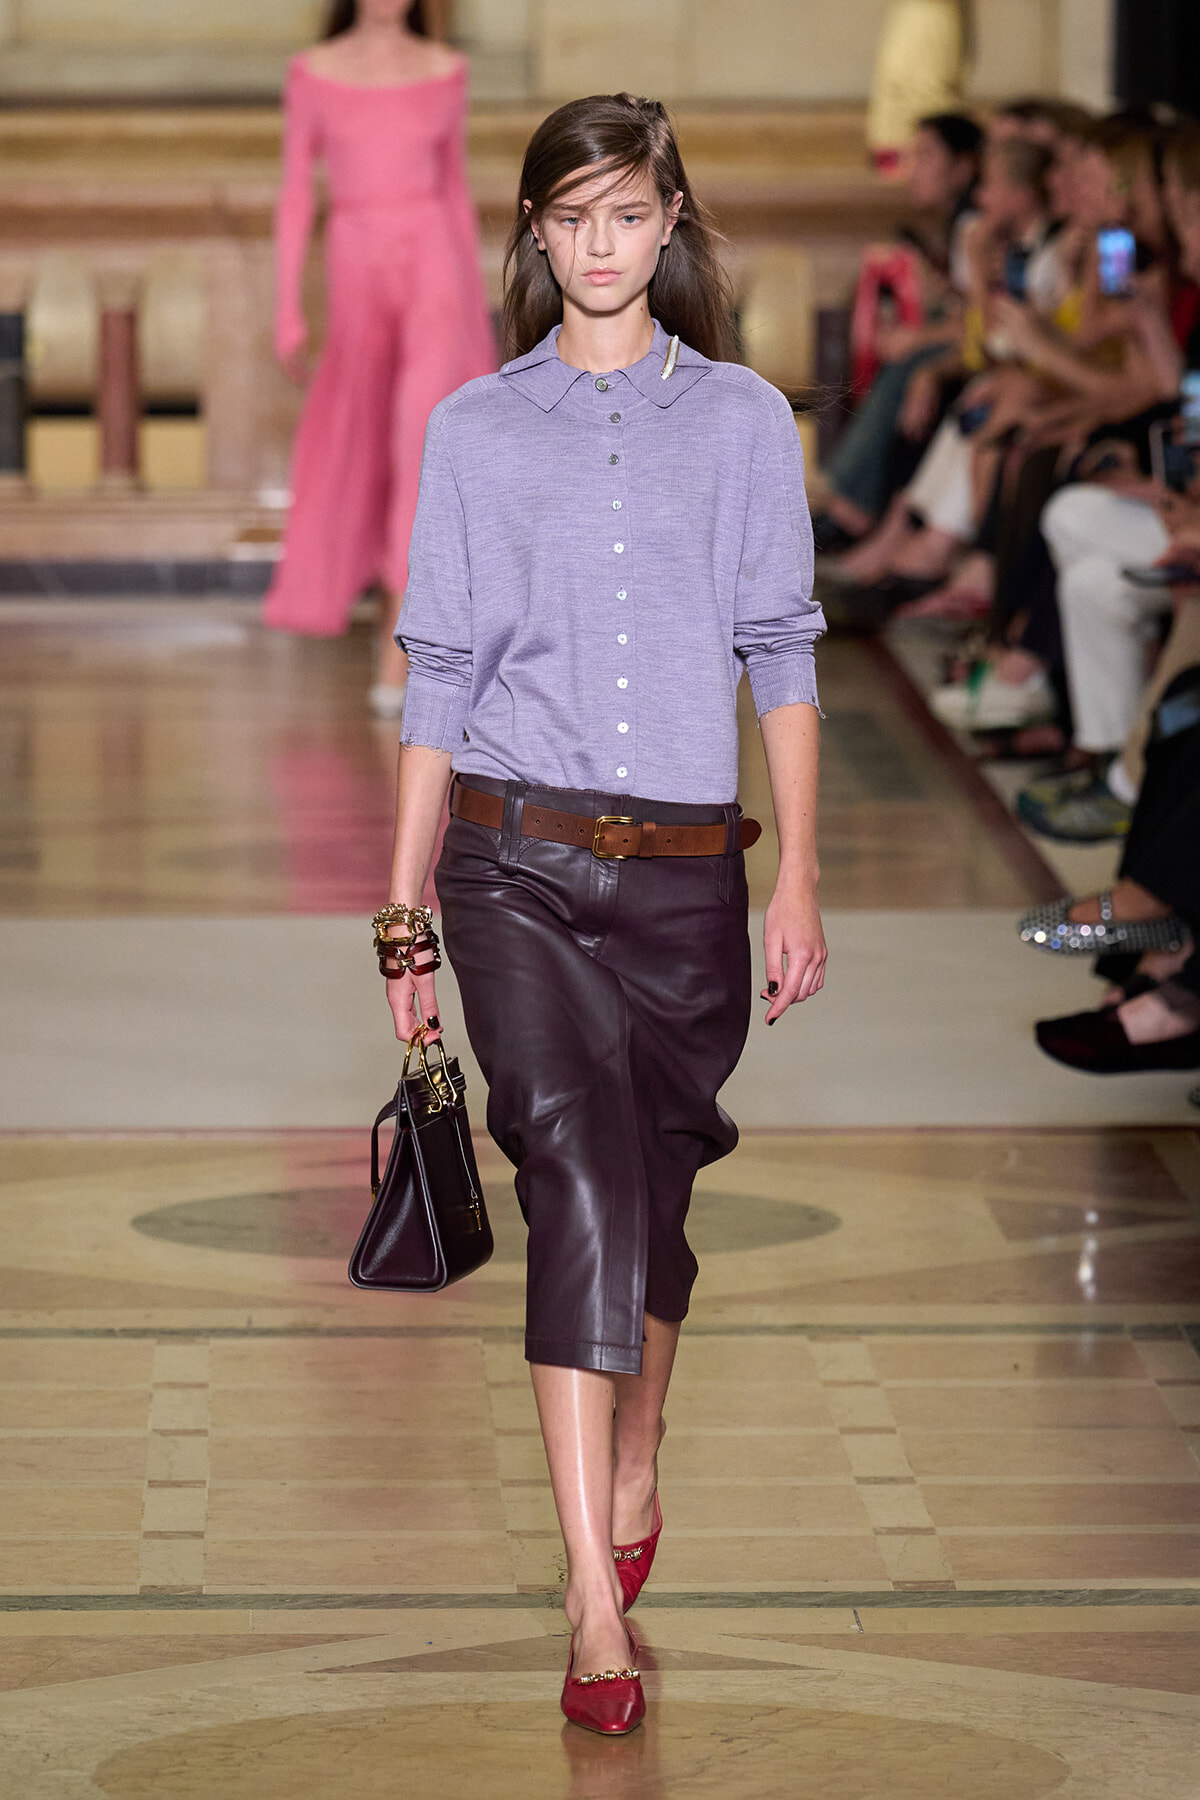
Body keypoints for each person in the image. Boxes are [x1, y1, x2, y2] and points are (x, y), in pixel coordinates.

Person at [376, 93, 826, 1734]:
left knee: (657, 1197)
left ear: (672, 220)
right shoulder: (476, 431)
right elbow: (438, 671)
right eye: (570, 217)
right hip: (513, 856)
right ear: (537, 235)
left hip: (692, 872)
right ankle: (587, 1599)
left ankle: (638, 1442)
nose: (600, 245)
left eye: (626, 213)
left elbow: (781, 648)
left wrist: (804, 872)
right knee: (567, 1166)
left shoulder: (743, 423)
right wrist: (403, 903)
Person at [263, 0, 495, 717]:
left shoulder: (445, 70)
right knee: (361, 443)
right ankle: (382, 610)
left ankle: (400, 644)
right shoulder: (313, 72)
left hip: (432, 265)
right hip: (356, 257)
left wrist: (475, 316)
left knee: (418, 439)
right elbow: (297, 190)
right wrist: (287, 306)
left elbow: (455, 192)